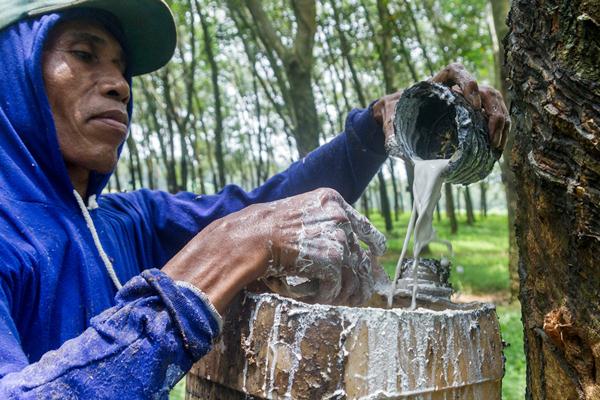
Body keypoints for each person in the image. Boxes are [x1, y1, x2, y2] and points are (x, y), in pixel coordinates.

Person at [0, 0, 510, 398]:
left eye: (122, 68)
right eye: (84, 54)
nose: (118, 86)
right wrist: (209, 269)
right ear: (13, 66)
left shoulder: (121, 224)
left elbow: (264, 208)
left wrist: (377, 125)